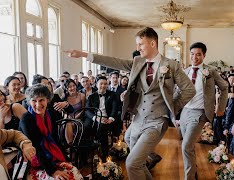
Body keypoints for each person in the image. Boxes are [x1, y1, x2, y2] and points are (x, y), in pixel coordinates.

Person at [66, 27, 195, 180]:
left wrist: (171, 106)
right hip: (138, 119)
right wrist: (84, 55)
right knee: (138, 163)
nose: (137, 48)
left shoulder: (171, 65)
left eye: (140, 44)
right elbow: (115, 62)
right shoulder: (138, 62)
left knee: (132, 164)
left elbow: (189, 90)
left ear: (153, 43)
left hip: (156, 121)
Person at [177, 42, 228, 180]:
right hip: (185, 112)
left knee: (186, 146)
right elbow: (178, 91)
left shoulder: (210, 71)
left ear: (204, 55)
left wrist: (220, 108)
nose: (195, 57)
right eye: (192, 54)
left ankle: (189, 177)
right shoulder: (186, 71)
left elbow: (224, 87)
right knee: (189, 144)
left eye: (198, 54)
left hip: (199, 113)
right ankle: (193, 172)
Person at [19, 84, 83, 180]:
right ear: (29, 102)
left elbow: (55, 139)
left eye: (41, 100)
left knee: (73, 171)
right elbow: (36, 147)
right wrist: (52, 171)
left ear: (47, 100)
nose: (38, 105)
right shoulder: (26, 119)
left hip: (49, 155)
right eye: (34, 101)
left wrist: (66, 159)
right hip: (32, 159)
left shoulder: (50, 114)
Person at [84, 76, 119, 161]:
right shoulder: (92, 96)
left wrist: (111, 118)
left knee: (102, 128)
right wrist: (95, 118)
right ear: (96, 84)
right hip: (95, 118)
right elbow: (87, 110)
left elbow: (115, 108)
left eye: (105, 84)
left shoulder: (112, 95)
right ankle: (88, 152)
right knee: (85, 127)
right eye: (101, 84)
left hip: (107, 118)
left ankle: (104, 154)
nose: (103, 86)